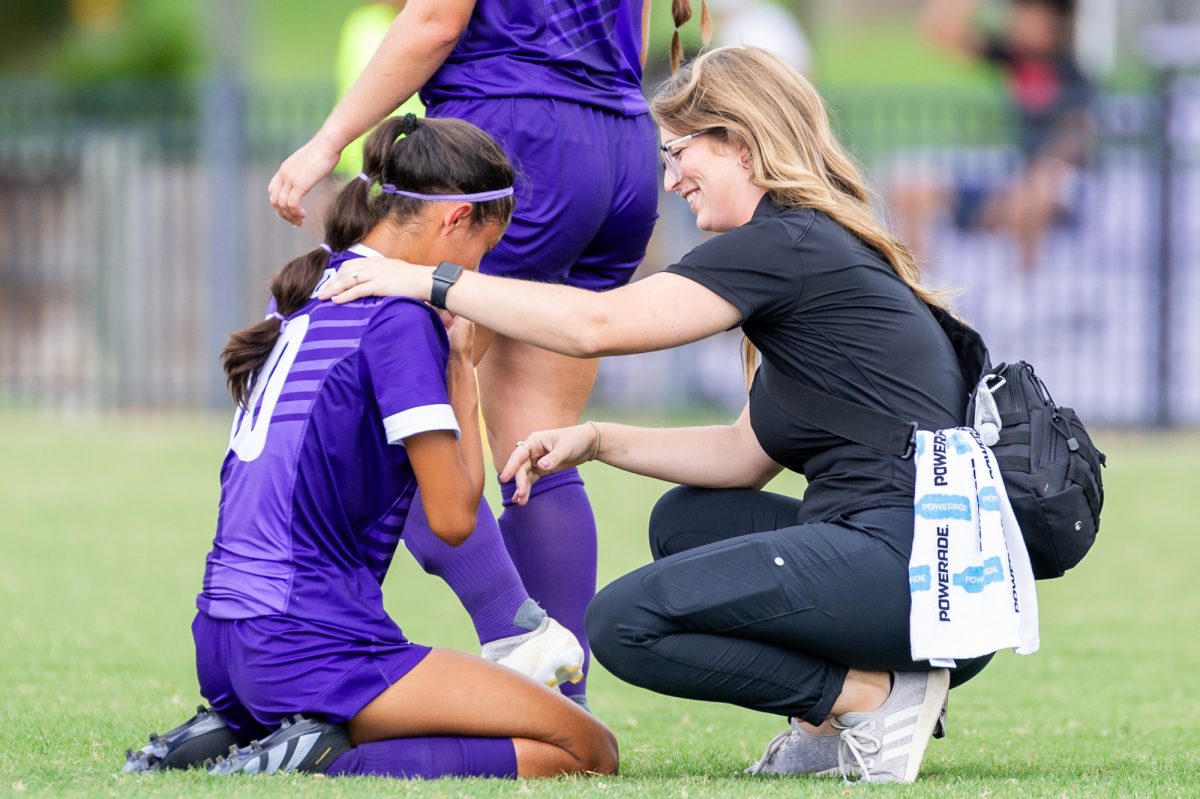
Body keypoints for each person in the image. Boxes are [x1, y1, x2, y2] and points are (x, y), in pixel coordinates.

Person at [317, 46, 997, 785]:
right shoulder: (807, 247)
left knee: (624, 624)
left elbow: (596, 327)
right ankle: (845, 713)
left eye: (678, 153)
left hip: (919, 579)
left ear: (739, 142)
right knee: (685, 520)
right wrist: (598, 439)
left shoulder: (783, 244)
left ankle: (868, 696)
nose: (670, 179)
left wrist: (426, 281)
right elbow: (741, 456)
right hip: (939, 573)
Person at [121, 116, 616, 780]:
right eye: (486, 247)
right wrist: (462, 366)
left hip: (221, 639)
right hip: (308, 644)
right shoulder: (402, 318)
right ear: (455, 220)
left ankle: (250, 727)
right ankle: (320, 755)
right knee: (586, 747)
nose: (479, 271)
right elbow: (451, 519)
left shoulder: (302, 287)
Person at [266, 0, 708, 709]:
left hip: (512, 138)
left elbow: (436, 18)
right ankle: (564, 703)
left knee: (397, 411)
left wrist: (328, 141)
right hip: (620, 143)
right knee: (537, 445)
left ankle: (509, 630)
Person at [891, 0, 1092, 273]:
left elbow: (1076, 141)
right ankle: (921, 282)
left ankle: (1024, 286)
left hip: (1056, 188)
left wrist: (1030, 181)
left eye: (1027, 13)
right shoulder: (1014, 58)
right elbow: (942, 33)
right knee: (911, 185)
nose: (1016, 20)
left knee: (1035, 192)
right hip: (1013, 178)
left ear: (1052, 22)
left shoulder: (1073, 75)